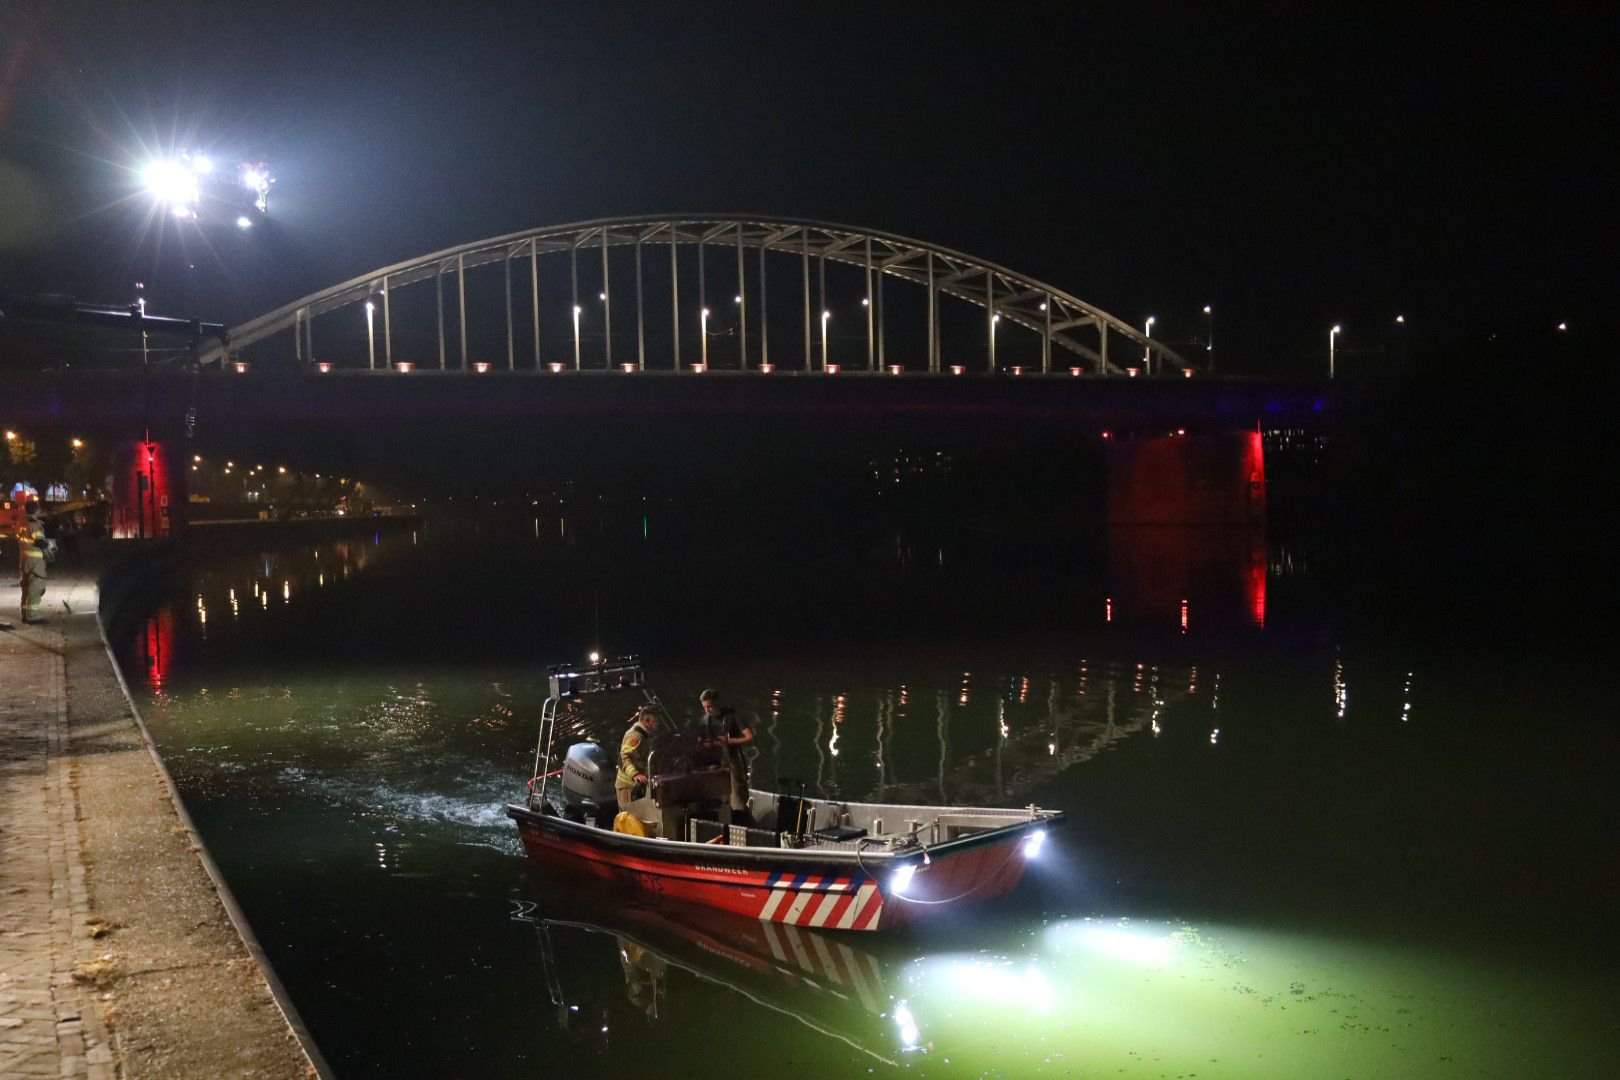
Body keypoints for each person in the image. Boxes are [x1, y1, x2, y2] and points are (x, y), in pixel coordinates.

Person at [699, 689, 755, 824]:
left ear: (717, 704)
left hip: (732, 760)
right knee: (716, 799)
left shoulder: (733, 716)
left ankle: (742, 824)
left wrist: (729, 741)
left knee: (737, 798)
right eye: (704, 707)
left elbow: (751, 738)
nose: (707, 710)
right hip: (715, 763)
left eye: (710, 706)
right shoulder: (705, 720)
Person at [614, 706, 660, 812]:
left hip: (636, 786)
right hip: (627, 786)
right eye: (655, 721)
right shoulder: (636, 736)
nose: (658, 723)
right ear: (647, 721)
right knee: (628, 819)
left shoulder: (647, 734)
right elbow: (624, 756)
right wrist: (635, 774)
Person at [17, 523, 47, 624]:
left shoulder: (22, 524)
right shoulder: (34, 526)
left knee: (25, 590)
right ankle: (33, 616)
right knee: (35, 590)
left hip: (25, 561)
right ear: (37, 511)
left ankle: (25, 614)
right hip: (35, 564)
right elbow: (41, 542)